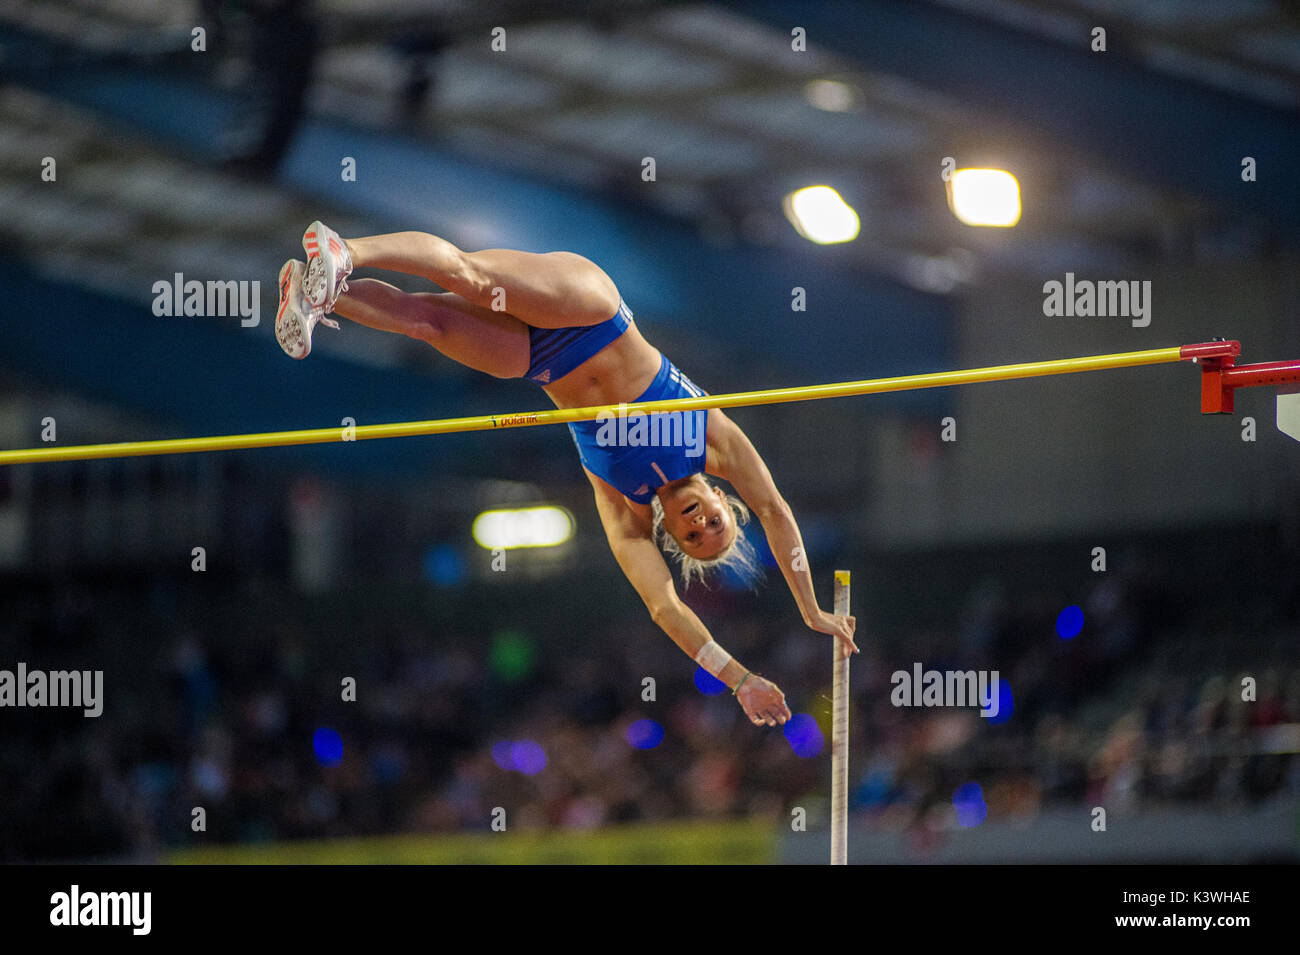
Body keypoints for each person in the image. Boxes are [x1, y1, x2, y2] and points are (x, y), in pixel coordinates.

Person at [276, 222, 858, 727]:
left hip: (540, 360)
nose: (702, 527)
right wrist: (809, 609)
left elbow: (665, 607)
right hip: (589, 311)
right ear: (723, 501)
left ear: (670, 535)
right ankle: (345, 248)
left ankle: (314, 293)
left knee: (424, 322)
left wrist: (739, 680)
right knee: (471, 277)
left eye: (692, 539)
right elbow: (776, 513)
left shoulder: (623, 506)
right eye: (716, 525)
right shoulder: (717, 442)